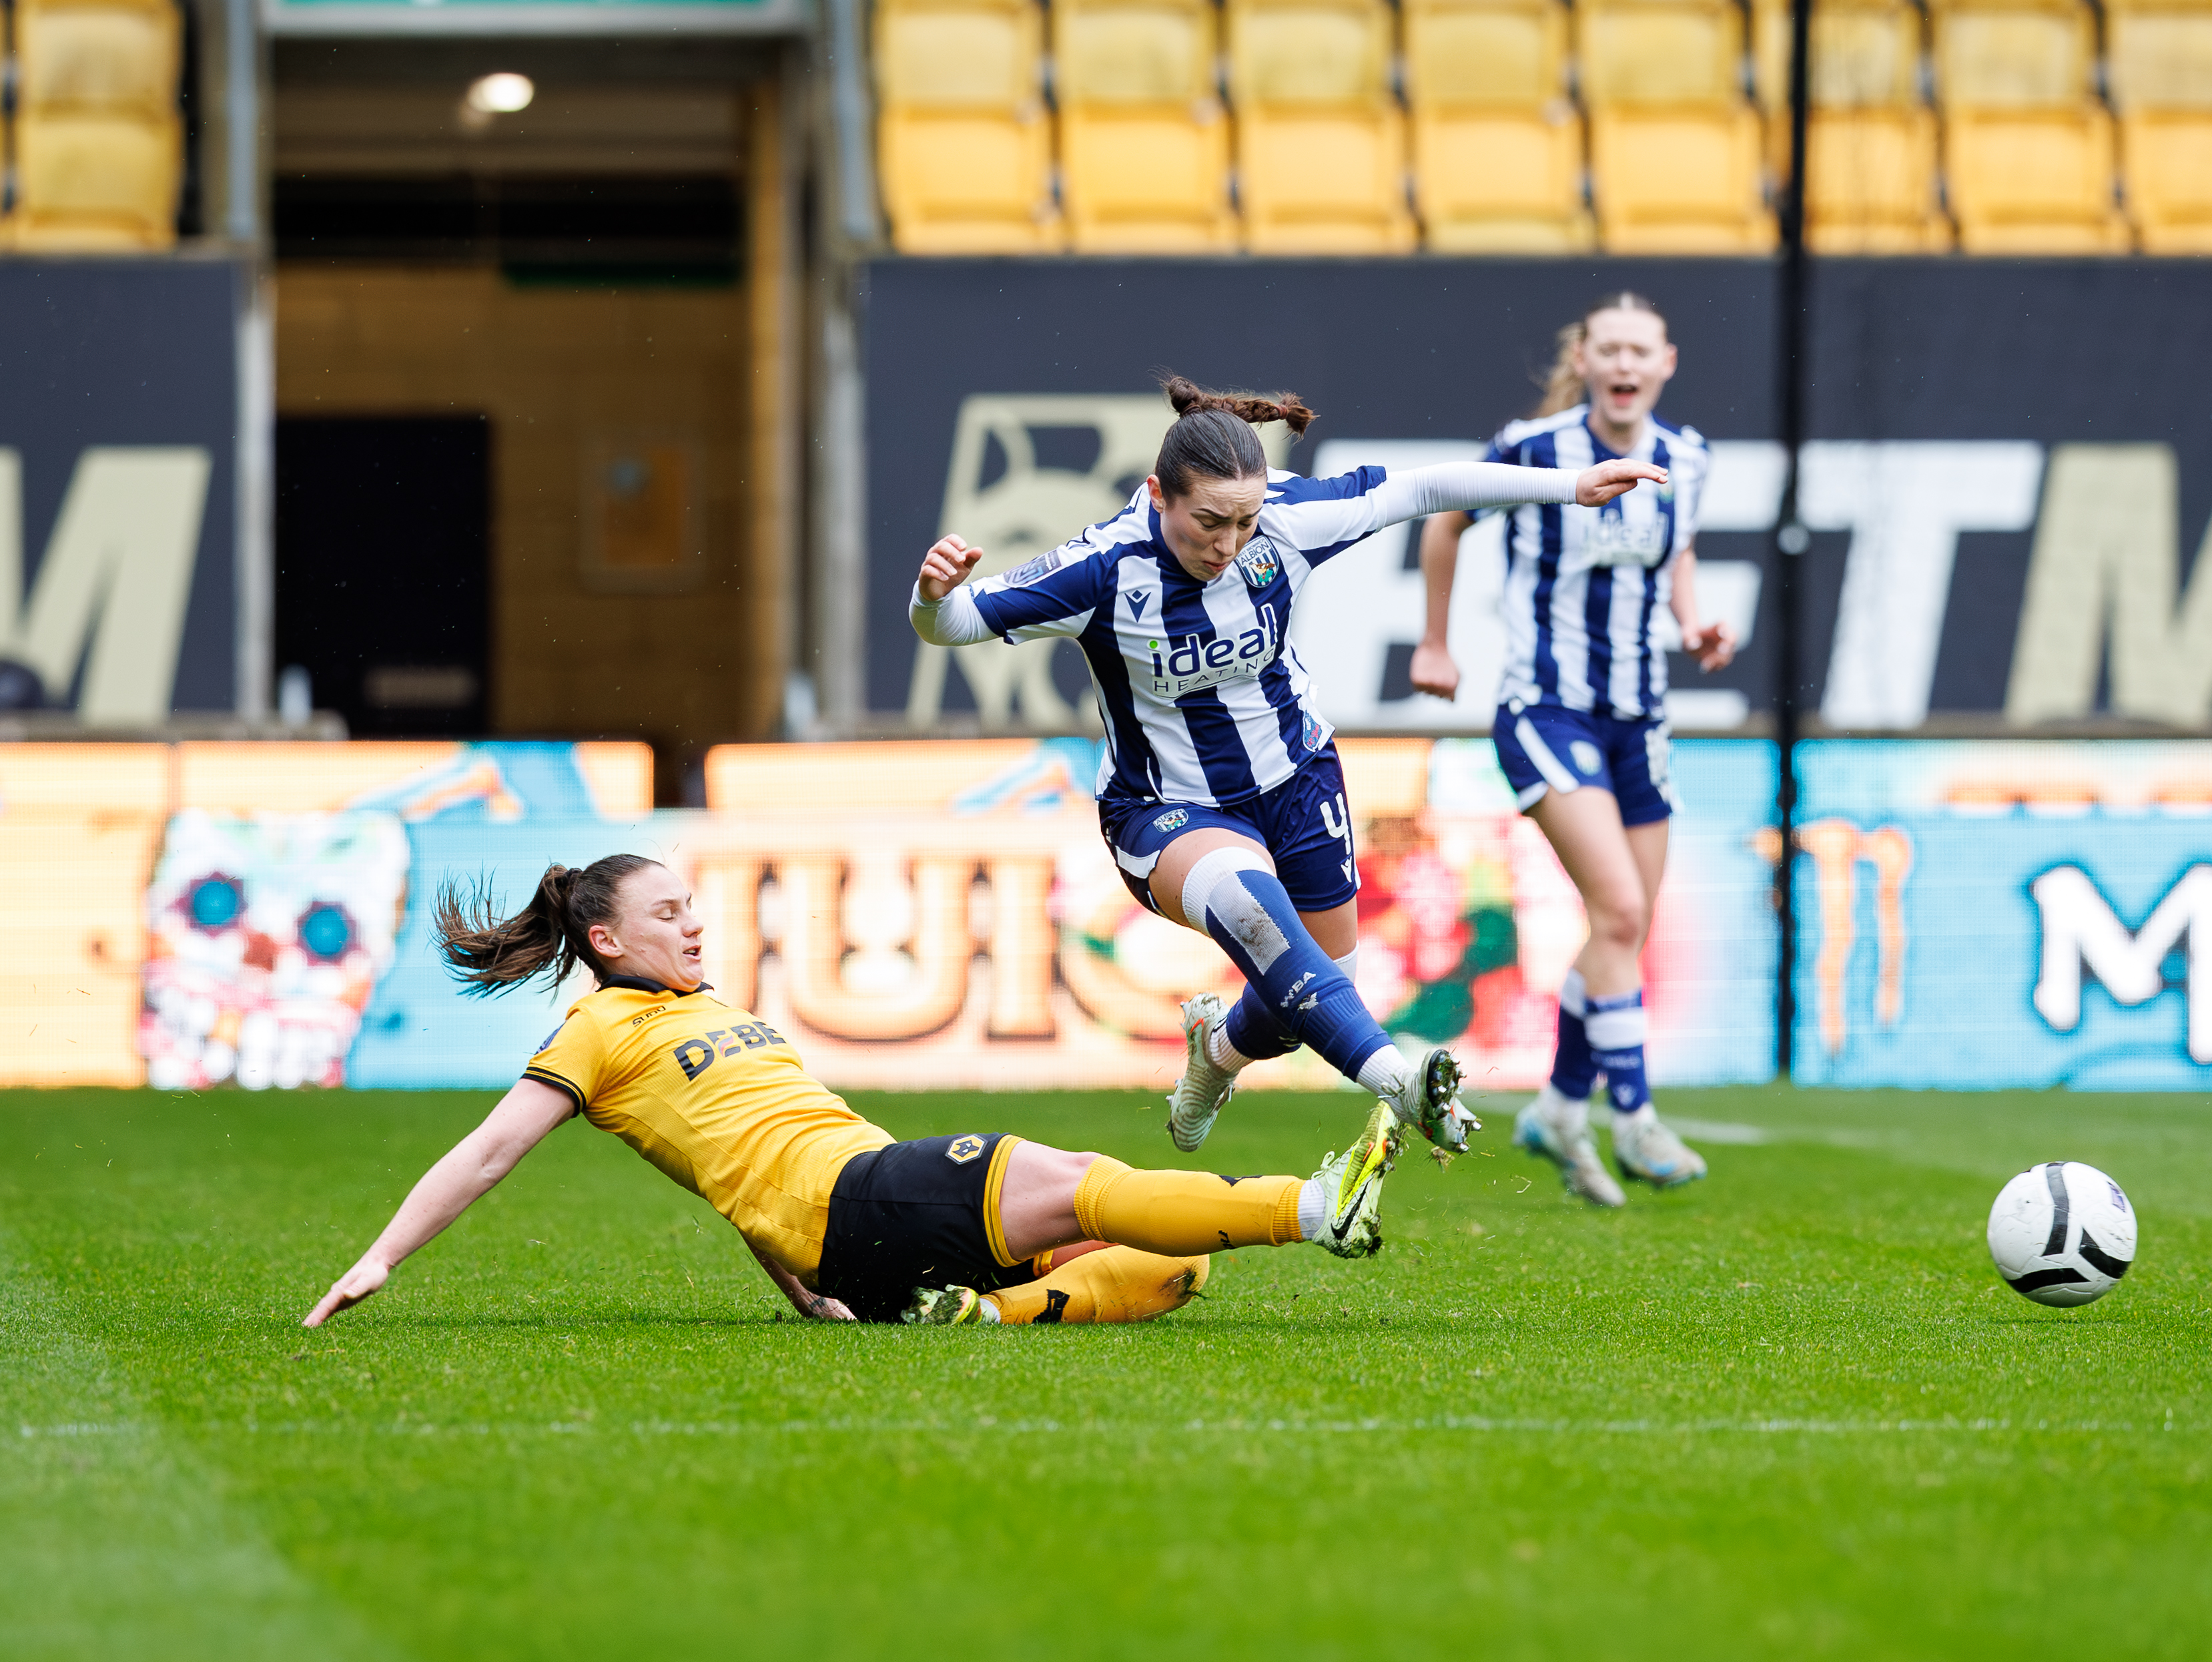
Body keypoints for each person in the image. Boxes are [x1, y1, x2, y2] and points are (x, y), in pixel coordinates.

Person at [910, 375, 1664, 1161]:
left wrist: (1570, 488)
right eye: (1207, 522)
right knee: (1258, 916)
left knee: (1313, 982)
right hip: (1167, 807)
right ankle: (1400, 1083)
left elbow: (1428, 488)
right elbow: (957, 623)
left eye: (1244, 521)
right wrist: (933, 597)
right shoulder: (1103, 569)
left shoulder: (1291, 521)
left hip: (1297, 777)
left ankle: (1217, 1058)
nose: (1228, 544)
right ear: (1156, 495)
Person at [303, 854, 1409, 1331]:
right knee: (1081, 1181)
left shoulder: (705, 1011)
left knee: (1177, 1263)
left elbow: (729, 1177)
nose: (693, 922)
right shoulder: (599, 1027)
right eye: (669, 913)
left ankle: (980, 1318)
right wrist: (380, 1254)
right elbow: (490, 1149)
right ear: (606, 939)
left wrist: (807, 1298)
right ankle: (1311, 1208)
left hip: (859, 1234)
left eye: (693, 907)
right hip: (864, 1199)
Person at [1409, 292, 1736, 1207]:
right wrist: (1436, 641)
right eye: (1610, 349)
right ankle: (1632, 1117)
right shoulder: (1533, 445)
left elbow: (1675, 554)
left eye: (1642, 349)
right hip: (1546, 709)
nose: (1626, 364)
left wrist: (1693, 623)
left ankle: (1558, 1107)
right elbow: (1446, 520)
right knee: (1622, 906)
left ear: (1666, 362)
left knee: (1621, 928)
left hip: (1641, 716)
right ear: (1586, 361)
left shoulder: (1690, 458)